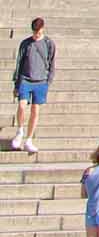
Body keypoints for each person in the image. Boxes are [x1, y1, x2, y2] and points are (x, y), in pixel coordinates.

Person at [11, 16, 55, 152]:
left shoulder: (49, 43)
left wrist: (48, 81)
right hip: (25, 78)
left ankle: (29, 139)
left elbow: (52, 62)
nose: (36, 35)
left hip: (41, 81)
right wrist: (16, 83)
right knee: (22, 106)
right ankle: (20, 131)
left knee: (35, 110)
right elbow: (19, 63)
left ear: (43, 29)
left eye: (39, 32)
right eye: (35, 32)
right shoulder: (26, 43)